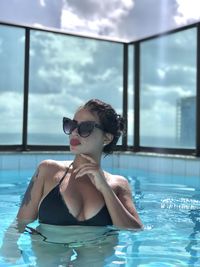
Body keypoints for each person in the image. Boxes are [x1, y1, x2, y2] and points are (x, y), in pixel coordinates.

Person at [17, 98, 142, 230]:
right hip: (50, 248)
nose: (74, 132)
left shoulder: (118, 184)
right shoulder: (48, 170)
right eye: (71, 125)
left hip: (98, 249)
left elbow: (135, 230)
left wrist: (105, 189)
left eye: (85, 127)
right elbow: (18, 226)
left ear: (107, 137)